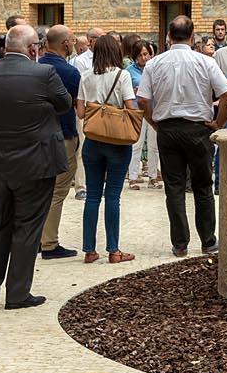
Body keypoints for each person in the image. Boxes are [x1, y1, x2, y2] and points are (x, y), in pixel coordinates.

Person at [0, 25, 74, 309]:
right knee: (27, 227)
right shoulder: (44, 73)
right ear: (33, 49)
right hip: (35, 162)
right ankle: (17, 294)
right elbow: (64, 103)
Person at [138, 16, 227, 257]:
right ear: (192, 36)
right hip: (198, 128)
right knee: (203, 186)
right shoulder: (205, 62)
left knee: (174, 187)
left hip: (168, 128)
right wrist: (219, 122)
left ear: (169, 36)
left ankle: (180, 243)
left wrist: (154, 121)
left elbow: (143, 100)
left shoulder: (154, 64)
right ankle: (208, 240)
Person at [76, 32, 139, 265]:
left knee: (92, 196)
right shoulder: (122, 75)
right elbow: (130, 106)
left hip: (92, 141)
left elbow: (80, 112)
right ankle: (114, 250)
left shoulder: (85, 76)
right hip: (117, 142)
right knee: (113, 195)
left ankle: (89, 250)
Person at [36, 25, 83, 259]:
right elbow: (77, 104)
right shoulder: (70, 73)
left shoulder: (35, 67)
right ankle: (49, 243)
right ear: (65, 43)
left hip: (35, 136)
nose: (73, 43)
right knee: (58, 190)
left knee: (39, 190)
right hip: (62, 134)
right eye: (72, 40)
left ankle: (36, 238)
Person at [124, 37, 162, 186]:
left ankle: (153, 176)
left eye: (146, 54)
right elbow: (125, 90)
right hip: (137, 110)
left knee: (154, 145)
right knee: (136, 144)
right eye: (140, 55)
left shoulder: (155, 68)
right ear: (135, 56)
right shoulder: (129, 71)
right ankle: (133, 176)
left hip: (153, 109)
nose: (143, 57)